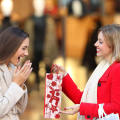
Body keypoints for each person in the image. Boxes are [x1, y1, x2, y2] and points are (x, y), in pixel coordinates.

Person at [52, 24, 120, 119]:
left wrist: (82, 108)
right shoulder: (102, 67)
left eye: (100, 42)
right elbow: (83, 100)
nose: (95, 44)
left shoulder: (117, 69)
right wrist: (64, 76)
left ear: (112, 45)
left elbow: (116, 108)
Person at [0, 26, 32, 120]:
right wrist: (16, 84)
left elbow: (19, 109)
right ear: (11, 47)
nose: (26, 53)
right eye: (24, 48)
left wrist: (21, 84)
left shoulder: (12, 68)